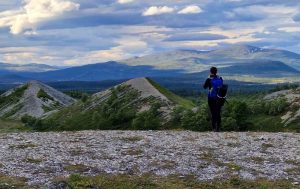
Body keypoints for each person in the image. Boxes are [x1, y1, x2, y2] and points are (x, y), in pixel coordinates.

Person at [203, 67, 223, 132]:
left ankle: (214, 128)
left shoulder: (209, 79)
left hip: (211, 98)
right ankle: (218, 128)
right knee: (218, 112)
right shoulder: (220, 78)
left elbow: (204, 87)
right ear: (216, 72)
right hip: (219, 98)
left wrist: (208, 78)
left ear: (210, 71)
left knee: (213, 112)